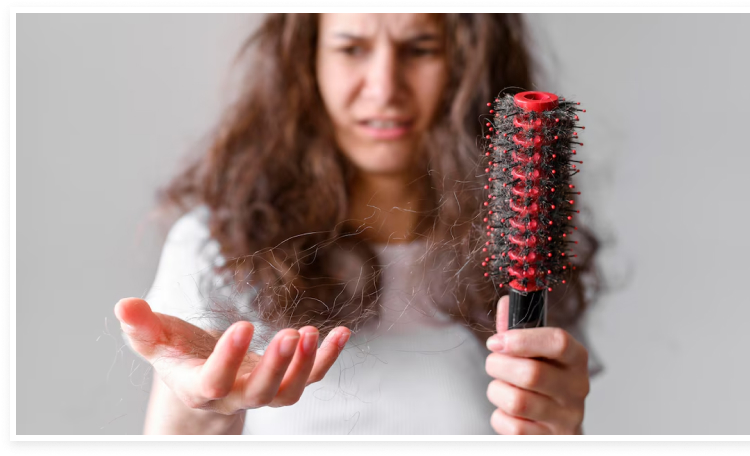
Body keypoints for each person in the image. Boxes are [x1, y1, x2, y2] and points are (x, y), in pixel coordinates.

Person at [114, 13, 601, 435]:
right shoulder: (217, 244)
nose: (385, 87)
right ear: (308, 62)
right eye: (351, 49)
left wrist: (557, 431)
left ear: (468, 63)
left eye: (420, 48)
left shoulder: (526, 245)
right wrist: (204, 405)